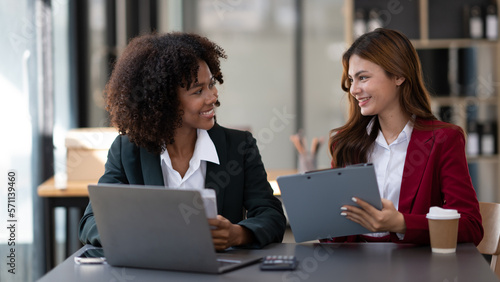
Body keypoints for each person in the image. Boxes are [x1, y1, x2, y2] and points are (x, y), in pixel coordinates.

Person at [78, 32, 286, 250]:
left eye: (211, 84)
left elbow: (271, 216)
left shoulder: (240, 146)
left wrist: (238, 234)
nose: (212, 97)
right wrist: (140, 237)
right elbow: (91, 223)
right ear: (165, 102)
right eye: (198, 91)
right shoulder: (126, 151)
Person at [325, 28, 483, 245]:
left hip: (416, 270)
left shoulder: (444, 139)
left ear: (398, 75)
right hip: (353, 269)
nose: (353, 89)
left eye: (363, 77)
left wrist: (401, 223)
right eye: (351, 80)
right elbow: (335, 231)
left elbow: (470, 226)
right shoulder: (346, 143)